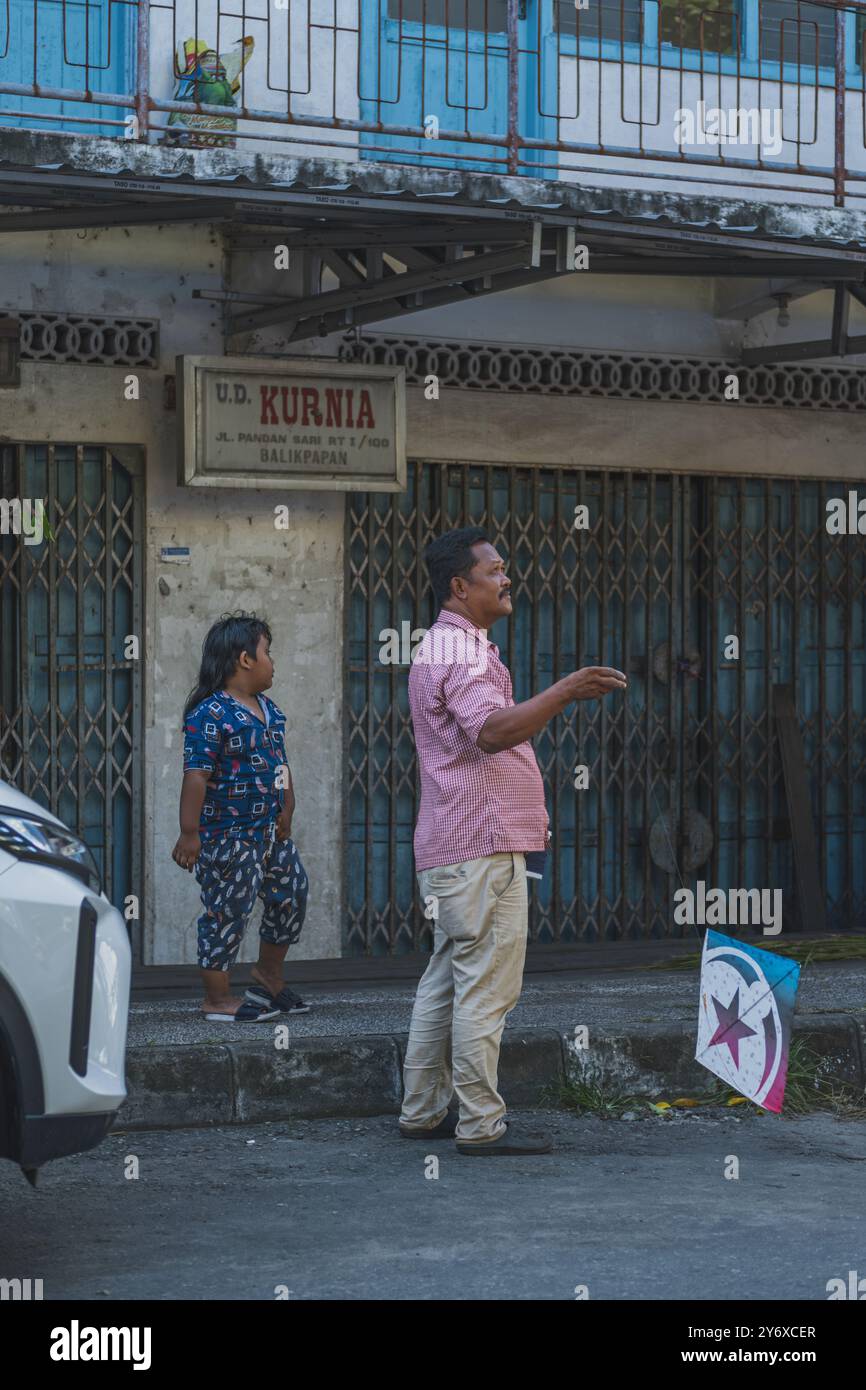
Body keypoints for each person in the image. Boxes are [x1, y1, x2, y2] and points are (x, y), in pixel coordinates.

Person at [398, 528, 627, 1155]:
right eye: (495, 570)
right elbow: (494, 731)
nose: (507, 579)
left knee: (445, 979)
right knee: (485, 989)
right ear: (459, 586)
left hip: (453, 848)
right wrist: (565, 691)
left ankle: (422, 1112)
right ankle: (480, 1125)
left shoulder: (441, 646)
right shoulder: (463, 652)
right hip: (481, 848)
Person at [171, 612, 310, 1021]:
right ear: (245, 659)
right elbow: (196, 774)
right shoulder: (210, 714)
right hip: (227, 837)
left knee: (292, 894)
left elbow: (281, 765)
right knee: (227, 909)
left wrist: (288, 807)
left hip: (270, 834)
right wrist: (189, 833)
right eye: (268, 652)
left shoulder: (270, 710)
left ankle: (268, 977)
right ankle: (217, 998)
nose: (273, 661)